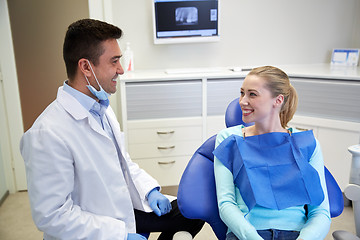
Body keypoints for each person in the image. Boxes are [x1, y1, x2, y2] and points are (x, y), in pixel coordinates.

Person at [20, 18, 204, 240]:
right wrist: (120, 236)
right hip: (95, 227)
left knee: (196, 210)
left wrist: (149, 190)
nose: (121, 70)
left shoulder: (101, 108)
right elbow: (52, 216)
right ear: (86, 67)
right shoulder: (47, 133)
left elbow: (123, 164)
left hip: (121, 208)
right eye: (114, 61)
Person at [213, 66, 331, 240]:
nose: (243, 101)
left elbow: (320, 211)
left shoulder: (305, 143)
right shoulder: (229, 138)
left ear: (278, 100)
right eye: (242, 93)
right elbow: (226, 204)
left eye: (252, 94)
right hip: (248, 234)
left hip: (297, 234)